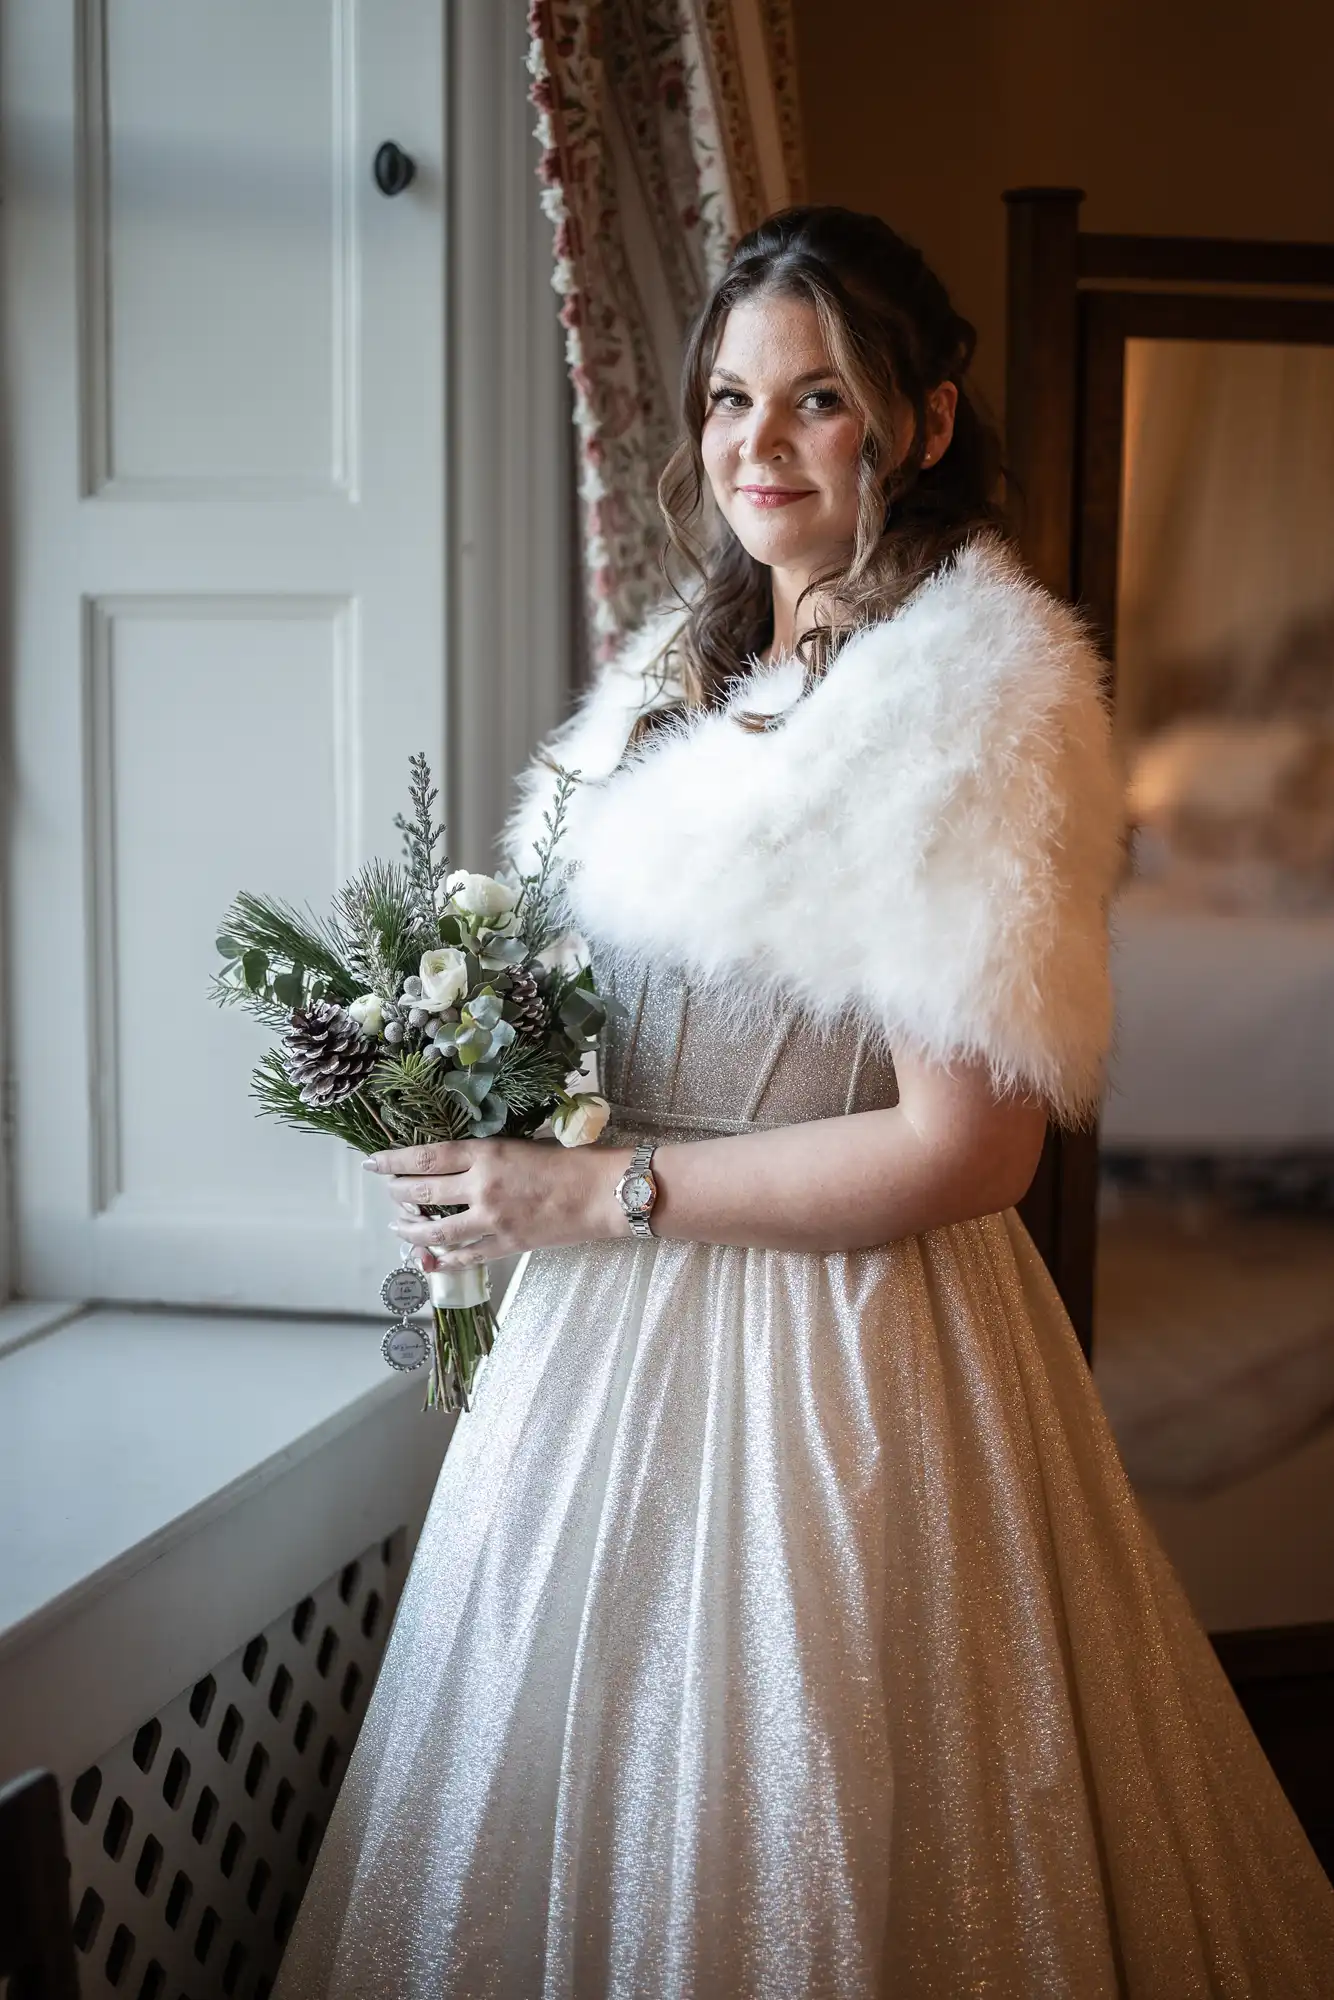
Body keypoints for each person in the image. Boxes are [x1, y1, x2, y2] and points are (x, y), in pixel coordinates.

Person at [273, 207, 1334, 1997]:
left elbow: (971, 1147)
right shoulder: (679, 688)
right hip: (598, 1351)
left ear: (917, 424)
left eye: (815, 398)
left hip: (846, 1351)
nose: (754, 446)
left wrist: (585, 1199)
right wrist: (478, 1098)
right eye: (725, 399)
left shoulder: (969, 702)